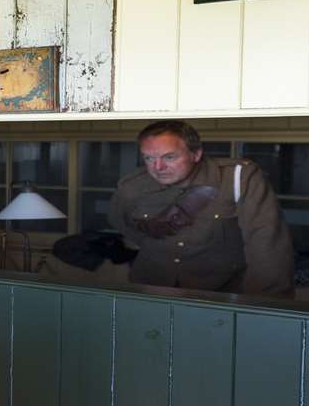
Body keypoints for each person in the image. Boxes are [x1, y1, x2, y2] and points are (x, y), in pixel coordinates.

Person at [108, 120, 294, 296]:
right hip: (150, 290)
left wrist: (265, 307)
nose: (158, 167)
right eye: (149, 158)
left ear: (196, 154)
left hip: (220, 295)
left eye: (170, 157)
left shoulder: (239, 178)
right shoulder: (132, 186)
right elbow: (122, 223)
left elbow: (266, 243)